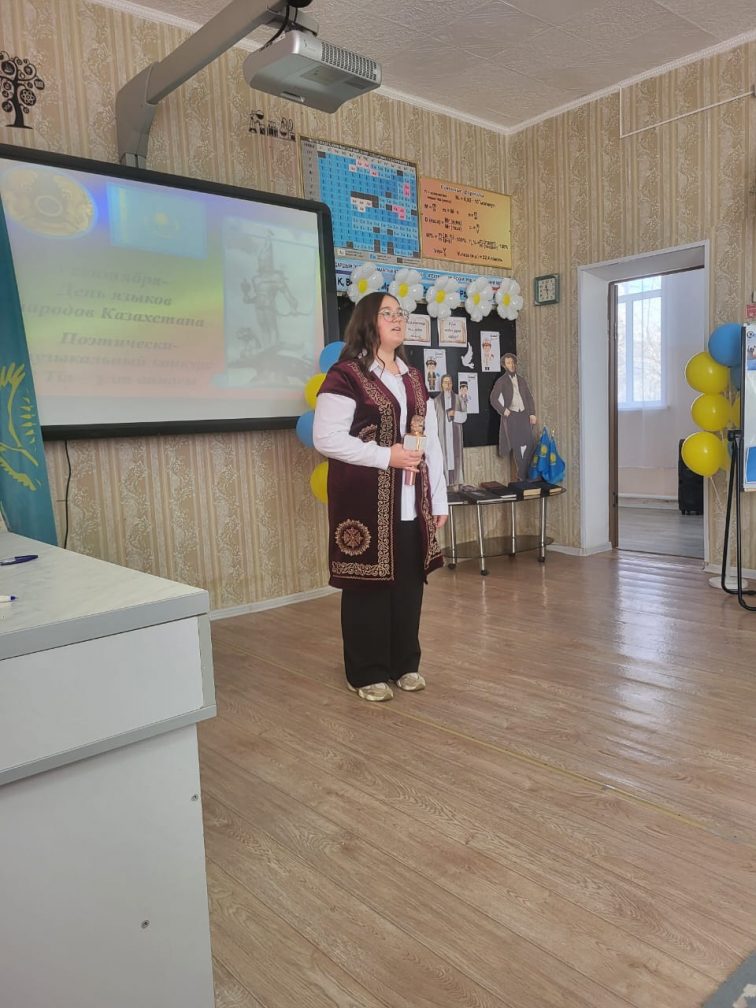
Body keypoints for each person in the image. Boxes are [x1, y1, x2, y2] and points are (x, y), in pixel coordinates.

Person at [313, 292, 448, 702]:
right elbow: (326, 438)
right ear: (367, 322)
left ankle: (404, 663)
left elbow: (432, 443)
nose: (397, 318)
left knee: (408, 585)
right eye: (386, 313)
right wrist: (386, 456)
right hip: (365, 504)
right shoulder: (346, 375)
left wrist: (439, 499)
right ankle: (365, 671)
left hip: (410, 502)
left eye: (399, 313)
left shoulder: (412, 377)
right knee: (366, 588)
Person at [489, 352, 537, 480]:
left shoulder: (521, 380)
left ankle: (522, 472)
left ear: (515, 364)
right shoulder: (501, 381)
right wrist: (503, 410)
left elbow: (529, 397)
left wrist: (532, 413)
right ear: (504, 366)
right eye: (508, 363)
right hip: (512, 416)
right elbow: (493, 398)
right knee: (516, 445)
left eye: (512, 362)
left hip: (524, 415)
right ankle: (522, 476)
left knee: (530, 444)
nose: (511, 365)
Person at [433, 374, 467, 486]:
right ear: (441, 385)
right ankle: (444, 483)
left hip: (455, 435)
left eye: (449, 382)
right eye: (445, 382)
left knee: (455, 458)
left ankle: (456, 482)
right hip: (442, 436)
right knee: (443, 459)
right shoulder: (436, 401)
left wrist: (455, 414)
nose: (447, 385)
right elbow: (433, 420)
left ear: (452, 384)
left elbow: (464, 416)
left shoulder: (459, 399)